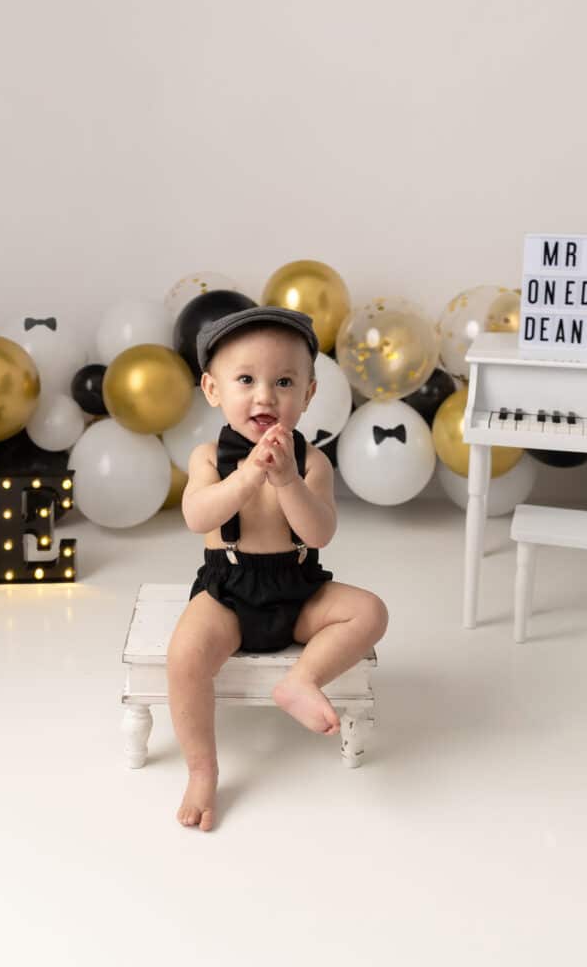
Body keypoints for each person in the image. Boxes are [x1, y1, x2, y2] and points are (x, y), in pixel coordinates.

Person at [169, 306, 389, 830]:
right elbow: (196, 514)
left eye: (284, 381)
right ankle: (203, 769)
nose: (265, 395)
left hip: (297, 589)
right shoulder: (208, 457)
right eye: (246, 379)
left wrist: (288, 481)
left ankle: (300, 681)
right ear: (212, 388)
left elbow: (319, 534)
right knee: (185, 656)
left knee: (369, 612)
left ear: (309, 394)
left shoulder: (311, 461)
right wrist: (246, 479)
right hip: (230, 591)